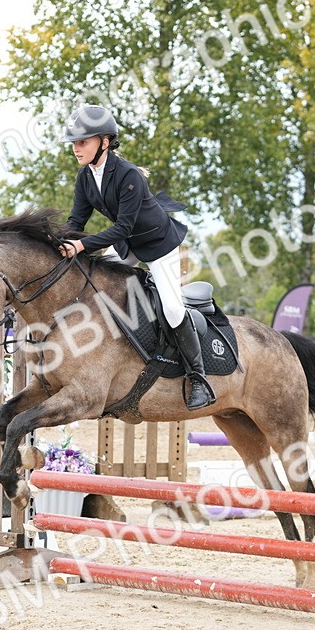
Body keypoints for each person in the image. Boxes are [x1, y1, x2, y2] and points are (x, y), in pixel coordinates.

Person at [59, 104, 214, 410]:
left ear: (104, 142)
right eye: (74, 143)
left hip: (158, 244)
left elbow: (122, 227)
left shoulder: (128, 174)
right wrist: (60, 244)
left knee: (171, 308)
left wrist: (82, 246)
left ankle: (199, 378)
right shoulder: (85, 178)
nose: (76, 148)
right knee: (95, 286)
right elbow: (76, 224)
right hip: (128, 244)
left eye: (83, 142)